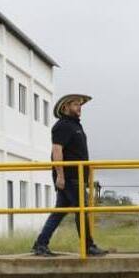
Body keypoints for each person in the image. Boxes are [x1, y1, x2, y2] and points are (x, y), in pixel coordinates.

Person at [31, 94, 108, 257]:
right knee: (82, 209)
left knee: (59, 212)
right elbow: (57, 150)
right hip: (70, 177)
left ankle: (41, 243)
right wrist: (60, 176)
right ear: (65, 107)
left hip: (76, 177)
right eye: (75, 104)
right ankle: (88, 246)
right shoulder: (63, 126)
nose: (79, 107)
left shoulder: (75, 126)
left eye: (80, 104)